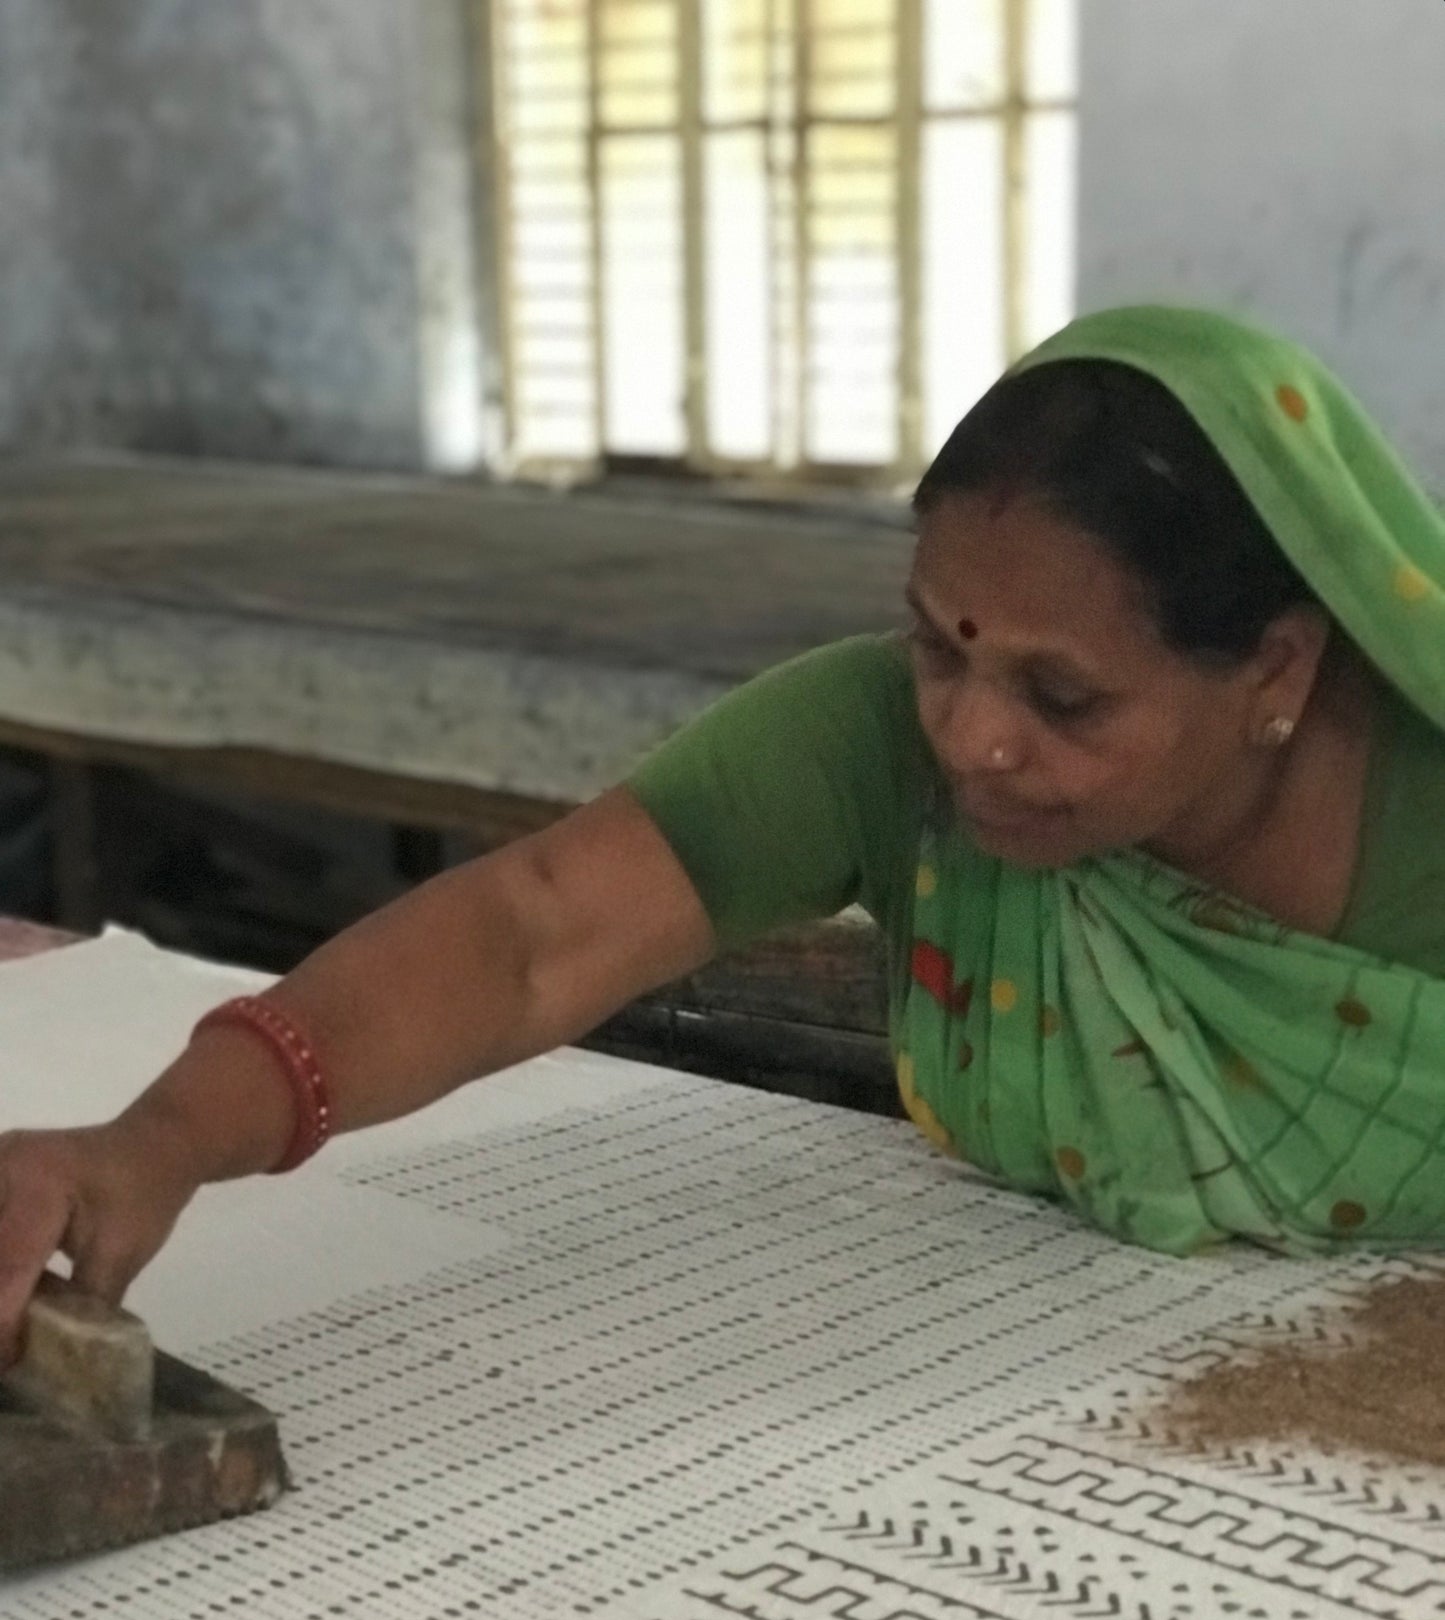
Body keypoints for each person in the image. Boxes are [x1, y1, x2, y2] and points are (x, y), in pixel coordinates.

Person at [3, 303, 1445, 1362]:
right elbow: (529, 935)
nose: (969, 736)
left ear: (1274, 670)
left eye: (1062, 696)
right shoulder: (873, 741)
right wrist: (159, 1140)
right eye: (938, 646)